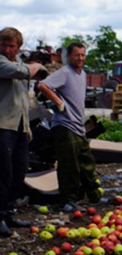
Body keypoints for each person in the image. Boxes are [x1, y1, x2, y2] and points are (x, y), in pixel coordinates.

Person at [36, 41, 103, 212]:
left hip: (78, 126)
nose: (80, 58)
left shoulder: (82, 74)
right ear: (69, 56)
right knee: (69, 166)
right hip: (65, 126)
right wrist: (58, 101)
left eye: (82, 55)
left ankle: (94, 196)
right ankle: (67, 201)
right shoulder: (64, 72)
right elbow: (42, 85)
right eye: (76, 55)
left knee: (87, 162)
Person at [0, 27, 44, 236]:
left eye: (12, 46)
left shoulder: (17, 62)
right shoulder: (3, 63)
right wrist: (36, 66)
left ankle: (8, 213)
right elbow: (24, 71)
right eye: (4, 45)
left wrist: (27, 128)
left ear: (18, 47)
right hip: (2, 125)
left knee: (19, 171)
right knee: (3, 173)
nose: (7, 49)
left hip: (19, 125)